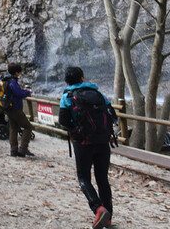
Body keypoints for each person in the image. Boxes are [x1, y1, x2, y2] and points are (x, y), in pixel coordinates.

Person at [59, 66, 116, 229]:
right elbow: (111, 113)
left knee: (84, 177)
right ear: (82, 78)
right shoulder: (98, 94)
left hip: (83, 142)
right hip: (103, 142)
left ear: (67, 81)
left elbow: (63, 119)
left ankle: (98, 208)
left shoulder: (68, 96)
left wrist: (76, 130)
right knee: (103, 179)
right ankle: (109, 218)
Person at [6, 62, 34, 157]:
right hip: (15, 108)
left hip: (8, 108)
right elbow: (18, 94)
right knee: (28, 127)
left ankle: (13, 150)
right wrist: (27, 93)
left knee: (14, 128)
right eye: (19, 72)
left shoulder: (7, 80)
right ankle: (23, 148)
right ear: (17, 73)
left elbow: (16, 92)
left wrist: (24, 91)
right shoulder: (13, 82)